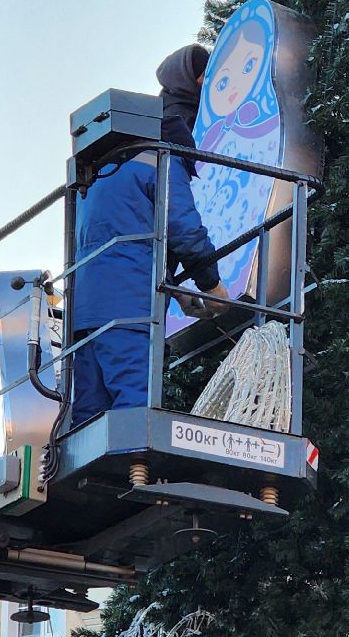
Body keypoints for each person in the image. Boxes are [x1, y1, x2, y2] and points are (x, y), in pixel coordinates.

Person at [68, 46, 230, 420]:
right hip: (130, 309)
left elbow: (125, 236)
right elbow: (184, 228)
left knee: (89, 416)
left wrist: (173, 289)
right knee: (134, 409)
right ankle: (132, 475)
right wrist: (213, 288)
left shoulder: (104, 171)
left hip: (87, 311)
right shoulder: (161, 157)